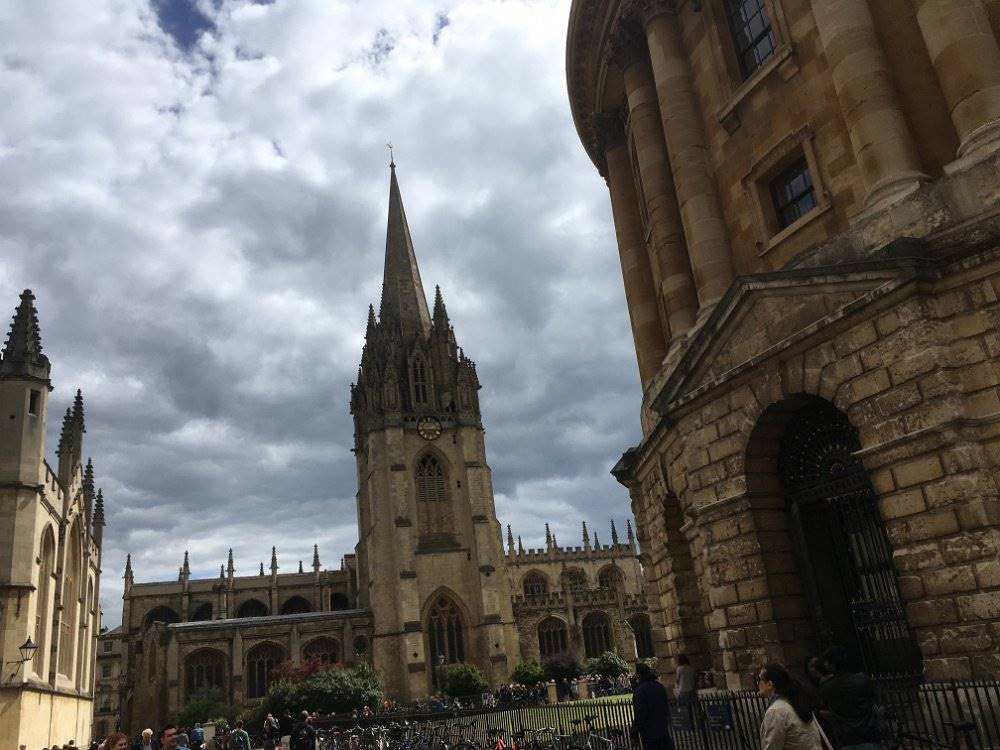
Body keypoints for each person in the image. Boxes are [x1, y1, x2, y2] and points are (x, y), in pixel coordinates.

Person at [820, 646, 881, 750]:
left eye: (827, 662)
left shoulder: (827, 686)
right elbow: (873, 698)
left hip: (846, 737)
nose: (825, 664)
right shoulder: (862, 679)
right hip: (869, 733)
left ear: (833, 664)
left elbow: (826, 707)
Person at [757, 663, 824, 750]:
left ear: (769, 684)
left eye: (760, 680)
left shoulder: (777, 710)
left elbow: (771, 747)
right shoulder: (795, 702)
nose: (758, 683)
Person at [631, 661, 674, 750]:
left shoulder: (640, 691)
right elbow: (666, 707)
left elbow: (640, 714)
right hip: (663, 729)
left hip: (649, 733)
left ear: (639, 675)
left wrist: (634, 732)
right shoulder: (659, 686)